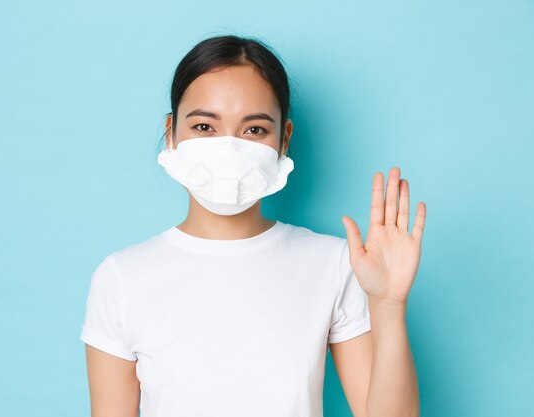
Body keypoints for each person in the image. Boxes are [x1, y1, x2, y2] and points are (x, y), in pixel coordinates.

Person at [80, 34, 425, 417]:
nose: (229, 148)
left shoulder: (334, 264)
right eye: (205, 127)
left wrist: (388, 304)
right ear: (171, 133)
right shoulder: (122, 279)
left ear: (283, 140)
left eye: (254, 130)